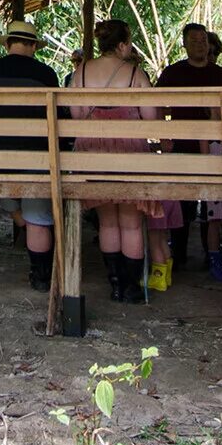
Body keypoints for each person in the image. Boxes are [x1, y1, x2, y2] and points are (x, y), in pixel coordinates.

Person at [70, 19, 159, 304]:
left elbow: (75, 116)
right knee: (131, 223)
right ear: (122, 45)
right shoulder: (135, 74)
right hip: (130, 158)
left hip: (92, 157)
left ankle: (116, 285)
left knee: (107, 222)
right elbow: (153, 120)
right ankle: (132, 288)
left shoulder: (80, 72)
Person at [0, 19, 62, 291]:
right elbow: (60, 122)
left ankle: (18, 216)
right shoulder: (46, 74)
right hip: (37, 162)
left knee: (5, 171)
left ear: (8, 44)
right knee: (39, 211)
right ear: (34, 46)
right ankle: (41, 278)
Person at [158, 23, 222, 282]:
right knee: (182, 203)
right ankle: (178, 254)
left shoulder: (221, 74)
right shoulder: (173, 73)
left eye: (203, 40)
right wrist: (163, 135)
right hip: (182, 145)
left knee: (213, 205)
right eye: (194, 40)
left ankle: (211, 255)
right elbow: (156, 104)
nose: (200, 44)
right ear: (185, 44)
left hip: (214, 147)